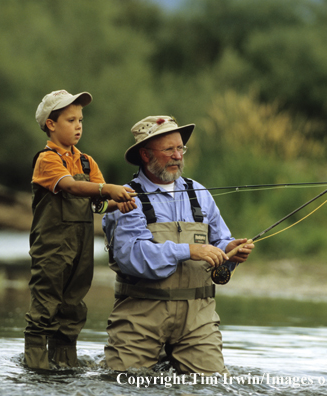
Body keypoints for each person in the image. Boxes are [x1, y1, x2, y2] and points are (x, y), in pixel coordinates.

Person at [102, 115, 255, 375]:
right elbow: (133, 256)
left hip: (198, 320)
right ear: (146, 155)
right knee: (124, 384)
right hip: (140, 317)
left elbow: (219, 240)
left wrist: (231, 250)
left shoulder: (200, 193)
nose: (177, 156)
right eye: (169, 149)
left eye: (180, 148)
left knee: (212, 386)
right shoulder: (126, 198)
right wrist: (190, 250)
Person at [24, 90, 136, 370]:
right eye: (71, 120)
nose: (78, 126)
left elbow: (96, 205)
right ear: (51, 124)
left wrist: (117, 203)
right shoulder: (47, 159)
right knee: (45, 306)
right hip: (51, 248)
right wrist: (106, 188)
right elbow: (71, 187)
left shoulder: (87, 162)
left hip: (82, 249)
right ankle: (35, 368)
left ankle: (64, 366)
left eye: (81, 120)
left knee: (72, 307)